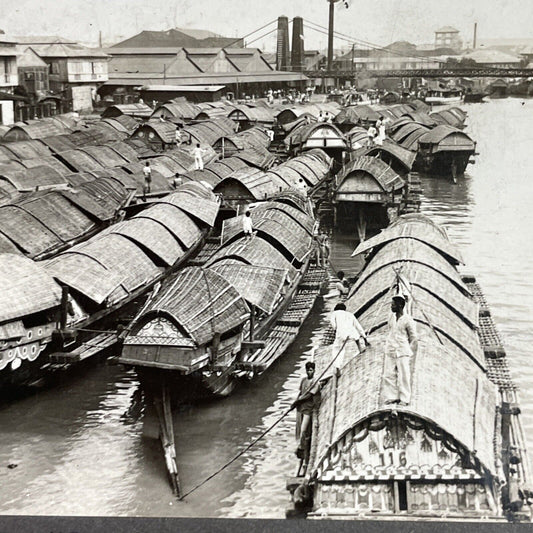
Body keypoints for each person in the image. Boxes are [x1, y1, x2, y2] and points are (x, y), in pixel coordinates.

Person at [382, 294, 418, 406]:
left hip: (402, 351)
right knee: (388, 374)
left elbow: (413, 337)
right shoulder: (391, 318)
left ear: (400, 305)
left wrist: (409, 351)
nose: (391, 307)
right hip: (391, 349)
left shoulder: (407, 320)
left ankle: (405, 398)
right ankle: (392, 396)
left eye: (393, 305)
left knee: (404, 375)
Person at [292, 361, 320, 461]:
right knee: (299, 430)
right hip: (301, 408)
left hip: (308, 409)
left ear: (314, 370)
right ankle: (301, 448)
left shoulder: (315, 382)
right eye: (308, 370)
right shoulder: (304, 380)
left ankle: (302, 449)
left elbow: (308, 396)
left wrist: (298, 401)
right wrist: (296, 401)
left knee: (304, 430)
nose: (309, 372)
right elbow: (300, 392)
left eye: (311, 370)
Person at [330, 302, 367, 374]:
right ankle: (360, 348)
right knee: (356, 336)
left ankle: (337, 366)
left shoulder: (334, 313)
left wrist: (337, 330)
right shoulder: (350, 314)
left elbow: (334, 326)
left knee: (337, 350)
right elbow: (358, 326)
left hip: (341, 335)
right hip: (351, 333)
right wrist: (365, 338)